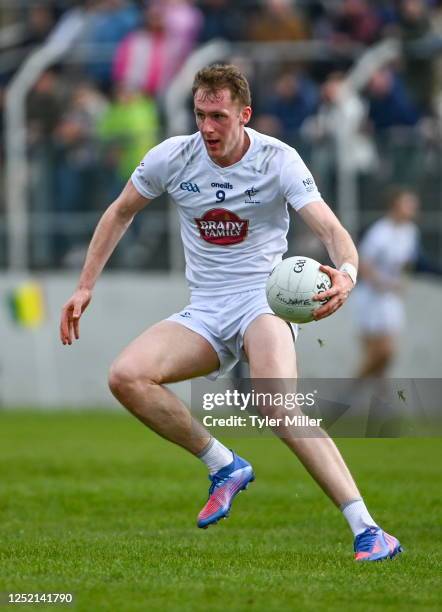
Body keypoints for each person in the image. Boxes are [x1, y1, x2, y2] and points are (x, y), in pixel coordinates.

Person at [60, 64, 402, 562]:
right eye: (200, 114)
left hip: (264, 301)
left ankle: (369, 529)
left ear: (244, 114)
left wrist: (346, 273)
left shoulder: (277, 159)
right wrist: (84, 285)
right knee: (126, 376)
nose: (207, 128)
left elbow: (330, 229)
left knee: (277, 405)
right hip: (204, 309)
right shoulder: (173, 157)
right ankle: (223, 463)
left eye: (218, 116)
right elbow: (120, 211)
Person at [353, 186, 420, 377]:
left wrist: (403, 280)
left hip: (390, 298)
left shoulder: (410, 232)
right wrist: (383, 282)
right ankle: (351, 389)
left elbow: (408, 261)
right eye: (408, 204)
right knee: (378, 353)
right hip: (370, 297)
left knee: (387, 354)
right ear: (395, 205)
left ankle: (373, 398)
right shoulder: (380, 232)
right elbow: (363, 264)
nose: (412, 208)